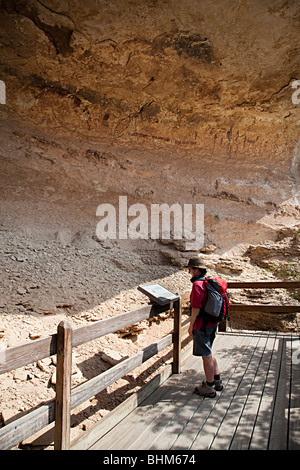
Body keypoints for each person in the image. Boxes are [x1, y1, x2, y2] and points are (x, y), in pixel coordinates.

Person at [187, 255, 223, 398]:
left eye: (190, 270)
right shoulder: (209, 282)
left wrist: (191, 326)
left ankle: (209, 386)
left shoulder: (197, 285)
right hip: (213, 323)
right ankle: (217, 380)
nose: (189, 273)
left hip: (202, 325)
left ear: (196, 270)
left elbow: (195, 308)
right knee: (209, 352)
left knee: (206, 355)